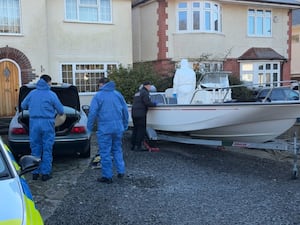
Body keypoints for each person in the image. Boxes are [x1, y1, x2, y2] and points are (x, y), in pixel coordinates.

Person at [21, 74, 64, 181]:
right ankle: (45, 174)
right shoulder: (51, 94)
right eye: (50, 82)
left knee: (35, 148)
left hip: (34, 123)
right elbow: (61, 111)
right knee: (47, 148)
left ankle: (35, 173)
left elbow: (23, 106)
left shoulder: (32, 93)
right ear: (48, 82)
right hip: (47, 123)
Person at [87, 78, 128, 184]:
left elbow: (92, 113)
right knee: (117, 149)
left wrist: (89, 128)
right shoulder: (118, 94)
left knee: (105, 152)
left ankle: (107, 176)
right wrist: (125, 124)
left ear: (101, 84)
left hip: (105, 128)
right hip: (118, 127)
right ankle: (121, 170)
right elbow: (125, 110)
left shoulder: (98, 96)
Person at [131, 81, 157, 151]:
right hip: (141, 113)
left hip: (134, 113)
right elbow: (147, 102)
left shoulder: (137, 93)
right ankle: (139, 146)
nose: (150, 88)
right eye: (150, 86)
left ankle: (133, 145)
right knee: (141, 130)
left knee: (135, 129)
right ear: (147, 86)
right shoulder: (145, 93)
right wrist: (154, 104)